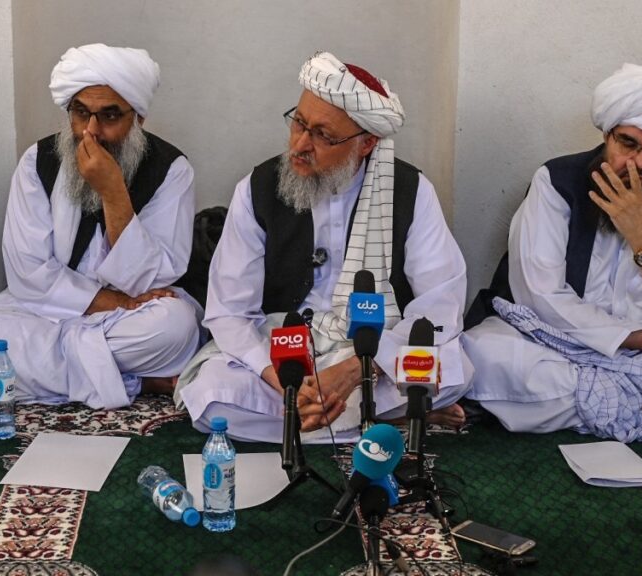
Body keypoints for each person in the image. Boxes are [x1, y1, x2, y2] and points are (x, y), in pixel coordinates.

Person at [175, 52, 472, 442]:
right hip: (284, 342)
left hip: (374, 347)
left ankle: (309, 421)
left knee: (455, 369)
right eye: (298, 122)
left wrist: (356, 371)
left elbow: (440, 301)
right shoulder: (258, 187)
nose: (300, 144)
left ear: (366, 144)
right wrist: (283, 380)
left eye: (323, 135)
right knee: (211, 396)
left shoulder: (410, 192)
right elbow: (230, 311)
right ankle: (388, 418)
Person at [463, 64, 642, 437]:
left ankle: (602, 402)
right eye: (628, 144)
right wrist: (640, 338)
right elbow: (539, 296)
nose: (638, 163)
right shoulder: (557, 181)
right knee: (485, 354)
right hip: (555, 344)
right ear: (607, 136)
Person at [0, 44, 200, 409]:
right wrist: (111, 302)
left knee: (176, 327)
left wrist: (113, 194)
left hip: (130, 318)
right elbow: (27, 272)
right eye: (81, 113)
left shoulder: (171, 170)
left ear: (138, 118)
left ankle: (77, 373)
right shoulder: (37, 162)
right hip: (46, 310)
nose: (91, 132)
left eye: (109, 116)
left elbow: (157, 276)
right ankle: (135, 382)